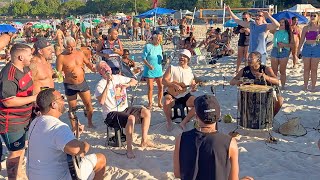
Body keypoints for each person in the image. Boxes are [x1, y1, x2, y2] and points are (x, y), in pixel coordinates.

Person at [27, 88, 106, 179]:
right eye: (61, 98)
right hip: (57, 177)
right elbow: (76, 150)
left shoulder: (35, 122)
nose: (64, 100)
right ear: (54, 104)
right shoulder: (57, 126)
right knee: (100, 159)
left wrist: (73, 135)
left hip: (34, 176)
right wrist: (85, 144)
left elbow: (52, 141)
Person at [95, 61, 154, 159]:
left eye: (105, 65)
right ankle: (129, 149)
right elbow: (101, 102)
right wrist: (108, 84)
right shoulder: (100, 85)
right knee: (130, 118)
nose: (105, 68)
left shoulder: (118, 77)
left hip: (124, 108)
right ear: (100, 73)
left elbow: (134, 81)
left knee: (146, 112)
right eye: (101, 68)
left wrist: (127, 85)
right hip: (111, 114)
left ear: (109, 67)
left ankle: (144, 140)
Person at [173, 95, 239, 180]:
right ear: (219, 115)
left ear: (196, 116)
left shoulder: (182, 138)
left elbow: (177, 173)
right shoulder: (230, 143)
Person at [0, 44, 37, 179]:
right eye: (29, 55)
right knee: (15, 153)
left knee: (21, 149)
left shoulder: (25, 68)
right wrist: (33, 98)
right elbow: (8, 101)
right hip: (12, 121)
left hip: (25, 117)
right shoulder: (8, 75)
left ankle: (19, 173)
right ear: (21, 57)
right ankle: (12, 177)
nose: (31, 57)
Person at [56, 37, 96, 129]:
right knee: (72, 108)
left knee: (89, 104)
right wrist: (61, 74)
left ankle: (90, 122)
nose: (72, 49)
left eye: (73, 47)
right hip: (70, 85)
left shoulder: (79, 53)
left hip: (82, 83)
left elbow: (87, 63)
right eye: (69, 47)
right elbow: (58, 74)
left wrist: (92, 68)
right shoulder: (61, 57)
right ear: (65, 46)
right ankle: (74, 127)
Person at [230, 51, 283, 116]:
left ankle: (271, 117)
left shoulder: (266, 69)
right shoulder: (245, 70)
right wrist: (238, 82)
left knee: (280, 100)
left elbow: (277, 81)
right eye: (248, 58)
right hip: (250, 94)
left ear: (258, 60)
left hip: (266, 94)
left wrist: (265, 76)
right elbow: (232, 81)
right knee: (240, 101)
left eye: (251, 59)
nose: (248, 60)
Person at [162, 49, 197, 131]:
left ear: (188, 59)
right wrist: (173, 84)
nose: (181, 57)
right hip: (171, 94)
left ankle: (184, 122)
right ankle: (169, 121)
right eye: (180, 56)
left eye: (184, 56)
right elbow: (164, 80)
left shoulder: (190, 70)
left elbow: (192, 84)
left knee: (197, 103)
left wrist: (193, 87)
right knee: (166, 101)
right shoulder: (172, 68)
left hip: (185, 95)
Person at [298, 13, 320, 92]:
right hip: (307, 47)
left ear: (318, 18)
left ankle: (313, 86)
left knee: (314, 69)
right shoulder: (305, 28)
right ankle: (305, 85)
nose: (313, 17)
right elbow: (301, 40)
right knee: (306, 68)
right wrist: (298, 50)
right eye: (311, 16)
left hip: (316, 48)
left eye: (314, 16)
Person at [142, 32, 164, 109]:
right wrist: (149, 65)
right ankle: (150, 103)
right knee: (150, 88)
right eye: (157, 38)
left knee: (161, 87)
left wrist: (163, 60)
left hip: (158, 69)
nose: (159, 40)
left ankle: (159, 102)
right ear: (153, 38)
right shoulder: (148, 46)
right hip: (149, 70)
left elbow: (161, 58)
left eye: (160, 38)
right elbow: (143, 58)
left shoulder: (160, 46)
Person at [270, 18, 292, 89]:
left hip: (284, 50)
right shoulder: (275, 31)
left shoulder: (288, 33)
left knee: (282, 70)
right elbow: (270, 27)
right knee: (274, 70)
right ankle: (275, 85)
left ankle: (283, 85)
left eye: (283, 22)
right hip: (275, 49)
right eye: (280, 22)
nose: (281, 24)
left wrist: (284, 45)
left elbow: (292, 45)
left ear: (286, 24)